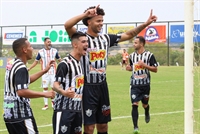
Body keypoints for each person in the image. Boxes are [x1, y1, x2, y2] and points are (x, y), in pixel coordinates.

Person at [64, 5, 157, 134]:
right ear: (89, 22)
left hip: (102, 86)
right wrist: (84, 14)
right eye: (98, 21)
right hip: (87, 87)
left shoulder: (106, 39)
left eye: (102, 21)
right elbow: (67, 26)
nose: (101, 24)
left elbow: (129, 34)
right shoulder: (81, 39)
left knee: (103, 126)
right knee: (89, 127)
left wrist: (146, 24)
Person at [3, 38, 55, 134]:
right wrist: (44, 94)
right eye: (30, 46)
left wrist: (44, 71)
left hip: (8, 113)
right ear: (25, 50)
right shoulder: (21, 68)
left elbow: (24, 81)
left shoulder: (12, 64)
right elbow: (21, 91)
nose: (32, 48)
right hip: (20, 114)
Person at [52, 31, 88, 134]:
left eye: (87, 42)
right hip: (64, 110)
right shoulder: (65, 64)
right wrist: (63, 92)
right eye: (83, 42)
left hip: (77, 109)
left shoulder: (80, 63)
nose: (87, 44)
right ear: (75, 44)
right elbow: (55, 85)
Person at [126, 36, 158, 134]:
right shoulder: (132, 56)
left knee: (144, 104)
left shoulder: (149, 55)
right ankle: (135, 127)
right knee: (134, 104)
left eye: (136, 43)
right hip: (135, 84)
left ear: (141, 44)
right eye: (134, 43)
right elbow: (132, 67)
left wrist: (145, 65)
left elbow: (155, 69)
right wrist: (129, 68)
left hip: (145, 85)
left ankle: (147, 111)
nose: (134, 44)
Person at [28, 37, 62, 110]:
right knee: (45, 88)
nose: (50, 43)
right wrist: (30, 68)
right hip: (44, 73)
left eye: (50, 42)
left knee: (54, 88)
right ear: (45, 43)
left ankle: (53, 103)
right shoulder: (40, 52)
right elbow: (36, 61)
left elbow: (59, 60)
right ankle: (46, 105)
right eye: (48, 42)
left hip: (53, 73)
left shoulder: (54, 51)